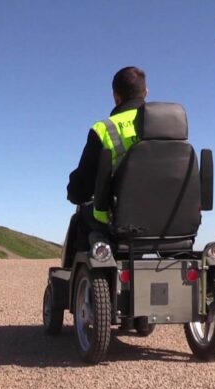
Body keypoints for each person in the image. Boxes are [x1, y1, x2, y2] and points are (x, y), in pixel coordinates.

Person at [64, 66, 148, 258]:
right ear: (146, 92)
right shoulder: (171, 125)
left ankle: (77, 284)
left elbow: (82, 188)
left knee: (81, 219)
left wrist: (74, 192)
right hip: (171, 219)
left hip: (120, 222)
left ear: (115, 95)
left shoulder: (105, 129)